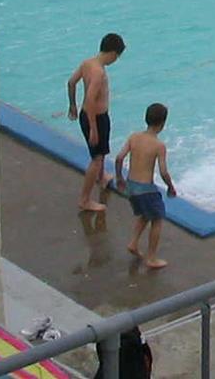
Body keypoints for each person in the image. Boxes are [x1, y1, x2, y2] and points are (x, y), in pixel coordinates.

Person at [67, 33, 126, 213]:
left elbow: (71, 82)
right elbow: (91, 99)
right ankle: (84, 199)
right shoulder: (99, 72)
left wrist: (73, 106)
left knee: (99, 154)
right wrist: (93, 128)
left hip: (87, 115)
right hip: (96, 118)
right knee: (97, 159)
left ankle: (102, 178)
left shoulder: (87, 63)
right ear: (113, 53)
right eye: (117, 57)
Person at [114, 103, 176, 267]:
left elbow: (119, 158)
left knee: (145, 214)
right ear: (162, 124)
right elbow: (163, 172)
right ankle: (152, 257)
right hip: (146, 189)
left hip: (131, 186)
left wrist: (119, 177)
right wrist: (170, 186)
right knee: (157, 219)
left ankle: (133, 243)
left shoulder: (134, 137)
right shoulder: (159, 145)